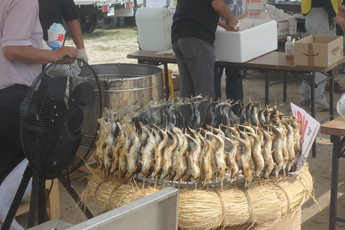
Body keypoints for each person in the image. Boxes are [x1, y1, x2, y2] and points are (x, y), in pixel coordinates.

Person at [0, 0, 77, 229]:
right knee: (53, 149)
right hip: (13, 94)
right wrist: (57, 55)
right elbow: (12, 49)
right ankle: (3, 203)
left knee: (9, 162)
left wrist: (46, 49)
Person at [171, 0, 238, 123]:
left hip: (179, 36)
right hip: (198, 38)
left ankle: (186, 128)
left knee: (188, 89)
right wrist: (231, 17)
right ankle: (203, 130)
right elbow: (217, 4)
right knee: (204, 91)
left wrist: (224, 25)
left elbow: (200, 11)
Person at [300, 0, 345, 111]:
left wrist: (336, 7)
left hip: (316, 14)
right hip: (321, 16)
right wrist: (334, 15)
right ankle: (317, 101)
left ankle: (307, 96)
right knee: (322, 59)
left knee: (312, 58)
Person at [214, 0, 244, 115]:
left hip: (235, 30)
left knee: (235, 74)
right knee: (214, 75)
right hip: (216, 32)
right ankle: (215, 113)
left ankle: (236, 113)